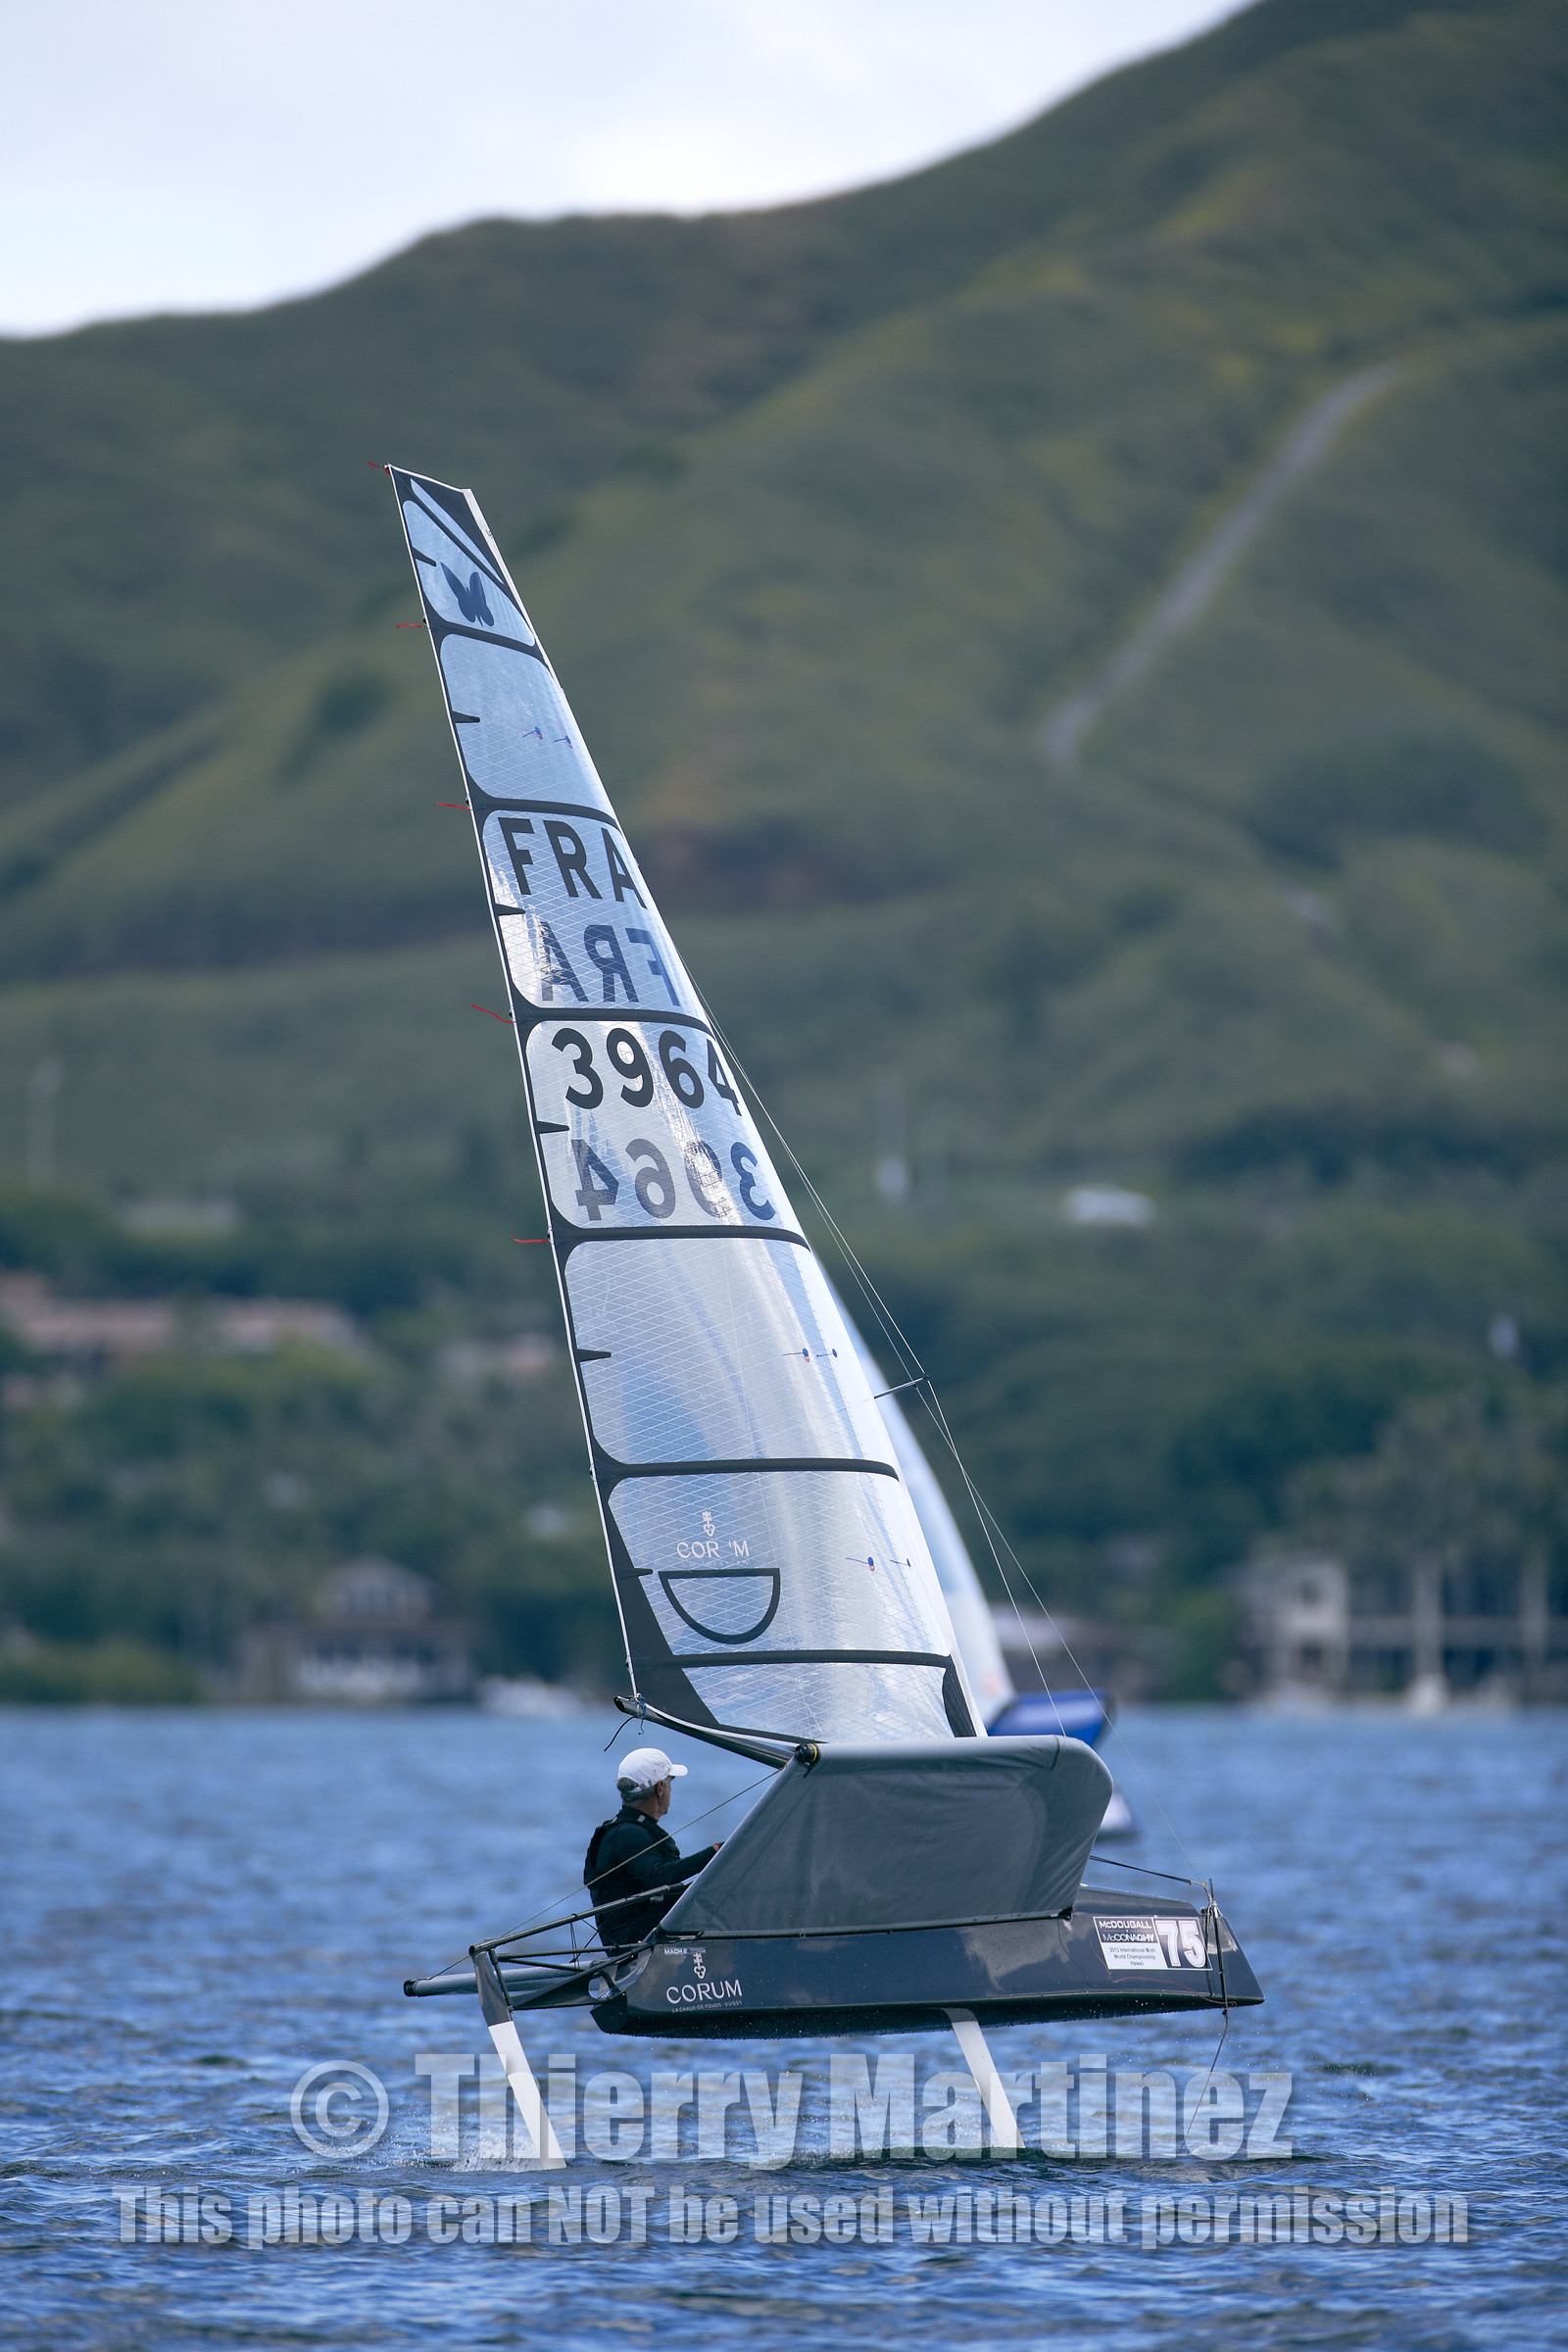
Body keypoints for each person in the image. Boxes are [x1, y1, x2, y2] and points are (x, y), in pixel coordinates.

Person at [584, 1747, 721, 1950]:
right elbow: (659, 1876)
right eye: (670, 1782)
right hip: (630, 1946)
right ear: (660, 1788)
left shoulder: (635, 1828)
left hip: (647, 1935)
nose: (671, 1789)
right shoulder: (625, 1833)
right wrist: (716, 1852)